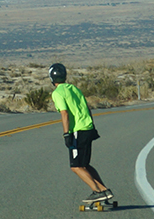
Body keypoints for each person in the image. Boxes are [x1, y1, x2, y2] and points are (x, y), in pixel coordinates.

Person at [48, 62, 113, 204]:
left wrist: (66, 134)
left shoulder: (58, 93)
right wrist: (92, 124)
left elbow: (64, 113)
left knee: (76, 166)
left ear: (51, 78)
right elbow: (87, 108)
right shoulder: (74, 89)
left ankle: (97, 192)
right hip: (88, 128)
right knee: (85, 165)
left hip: (78, 131)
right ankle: (104, 190)